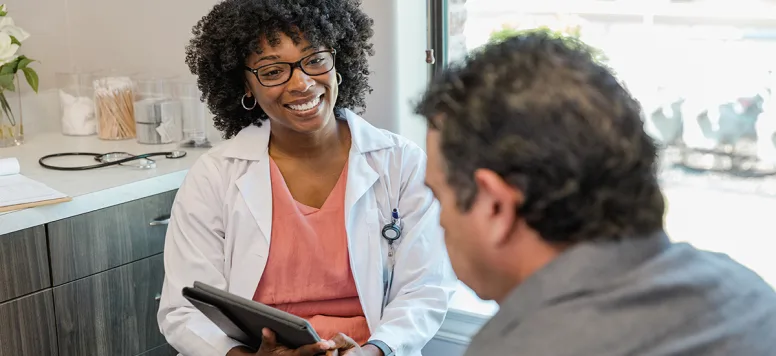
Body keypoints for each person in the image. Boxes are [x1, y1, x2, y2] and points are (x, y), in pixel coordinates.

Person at [415, 31, 776, 355]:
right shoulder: (750, 295)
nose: (440, 221)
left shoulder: (521, 346)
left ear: (496, 206)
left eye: (439, 198)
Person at [157, 1, 456, 355]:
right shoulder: (215, 176)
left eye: (314, 60)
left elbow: (425, 289)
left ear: (338, 63)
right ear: (246, 86)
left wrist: (373, 351)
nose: (301, 83)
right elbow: (184, 309)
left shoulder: (400, 163)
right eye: (272, 72)